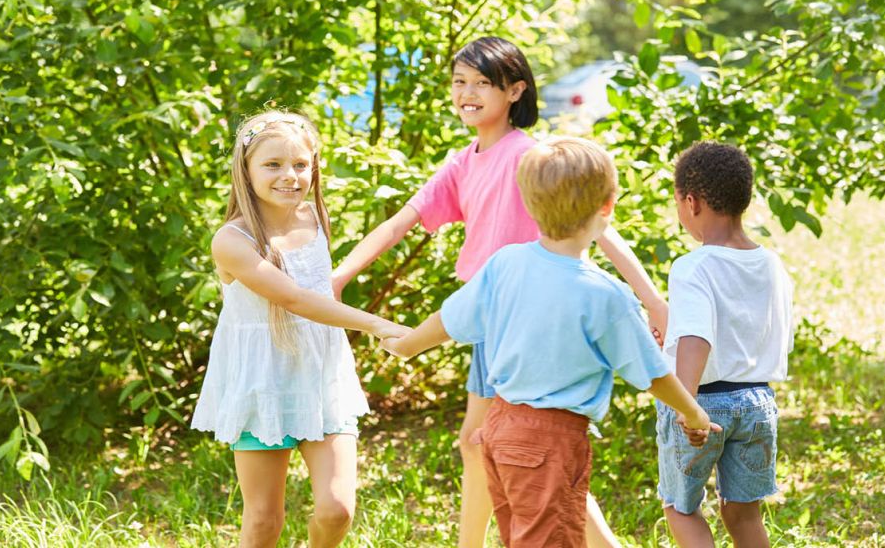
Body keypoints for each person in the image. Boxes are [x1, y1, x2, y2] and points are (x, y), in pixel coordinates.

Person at [332, 37, 667, 548]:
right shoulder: (462, 162)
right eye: (458, 82)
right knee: (486, 443)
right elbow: (401, 222)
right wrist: (340, 276)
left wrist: (651, 297)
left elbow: (601, 227)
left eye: (481, 83)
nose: (466, 93)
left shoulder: (529, 157)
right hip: (492, 317)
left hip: (527, 319)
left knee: (504, 446)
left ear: (514, 91)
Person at [380, 136, 716, 547]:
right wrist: (693, 412)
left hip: (499, 426)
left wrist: (407, 345)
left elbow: (449, 319)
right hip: (551, 439)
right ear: (607, 206)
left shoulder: (505, 263)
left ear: (528, 203)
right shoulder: (605, 295)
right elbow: (653, 373)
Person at [191, 111, 408, 548]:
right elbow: (294, 299)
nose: (289, 176)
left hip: (321, 379)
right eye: (272, 165)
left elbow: (322, 290)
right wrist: (376, 324)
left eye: (300, 165)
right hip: (262, 382)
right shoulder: (232, 241)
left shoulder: (311, 217)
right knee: (263, 521)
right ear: (245, 170)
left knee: (337, 510)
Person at [656, 140, 793, 548]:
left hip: (702, 405)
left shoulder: (693, 266)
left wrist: (687, 406)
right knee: (743, 511)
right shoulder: (771, 264)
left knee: (681, 509)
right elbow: (763, 331)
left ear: (691, 202)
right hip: (757, 403)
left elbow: (698, 337)